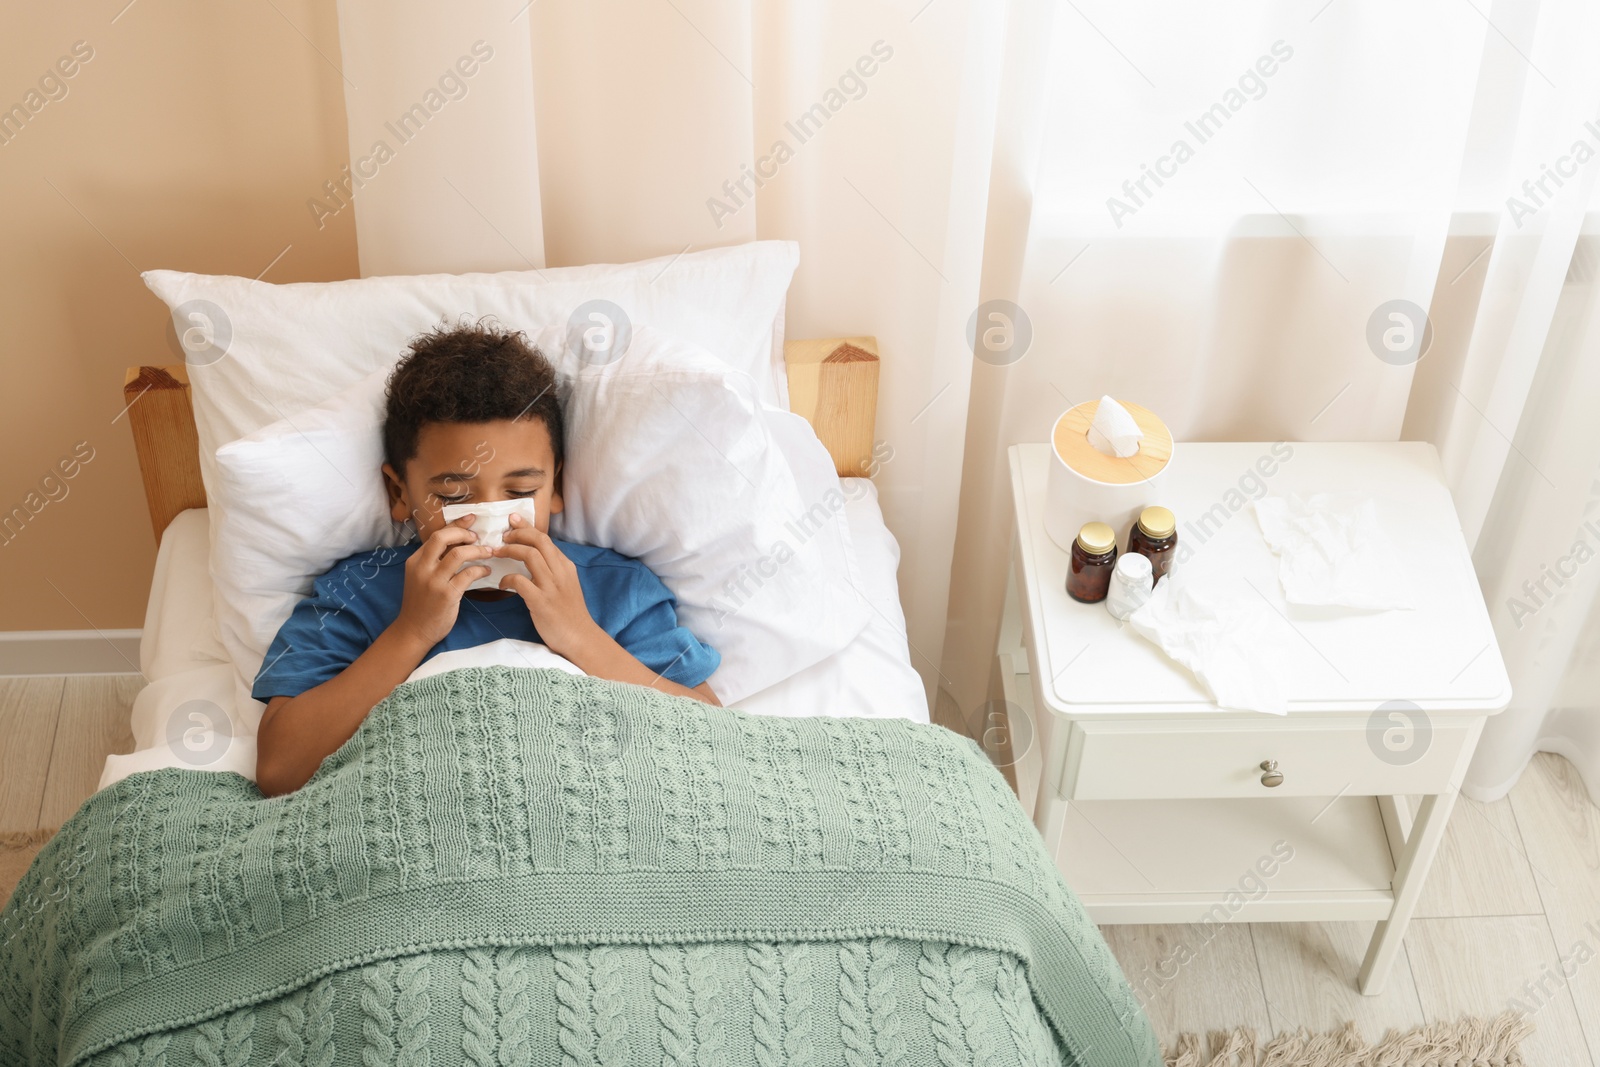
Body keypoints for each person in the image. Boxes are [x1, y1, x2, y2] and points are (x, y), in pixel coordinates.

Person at [252, 321, 720, 796]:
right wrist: (412, 632)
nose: (491, 519)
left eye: (520, 491)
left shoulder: (618, 589)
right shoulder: (357, 593)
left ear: (555, 486)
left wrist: (578, 633)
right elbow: (280, 771)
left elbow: (718, 741)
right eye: (454, 494)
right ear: (400, 492)